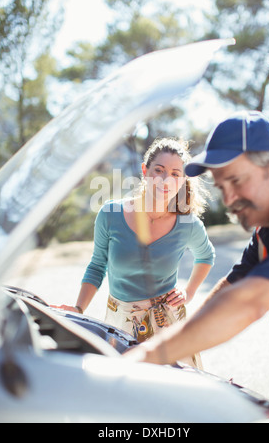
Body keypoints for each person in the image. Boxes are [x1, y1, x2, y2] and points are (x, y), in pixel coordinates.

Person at [124, 111, 269, 380]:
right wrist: (166, 346)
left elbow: (248, 303)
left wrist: (140, 360)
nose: (229, 199)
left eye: (236, 181)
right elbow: (233, 289)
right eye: (221, 186)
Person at [54, 137, 215, 366]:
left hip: (169, 325)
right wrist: (79, 308)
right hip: (121, 324)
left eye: (175, 174)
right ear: (144, 171)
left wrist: (188, 293)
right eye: (158, 170)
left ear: (182, 181)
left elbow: (206, 256)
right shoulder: (110, 214)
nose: (165, 179)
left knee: (175, 395)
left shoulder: (187, 224)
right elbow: (97, 265)